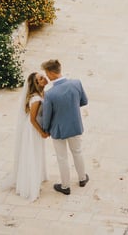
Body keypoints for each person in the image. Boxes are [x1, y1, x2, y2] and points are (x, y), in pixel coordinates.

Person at [39, 59, 89, 195]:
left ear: (51, 73)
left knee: (62, 158)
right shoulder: (76, 83)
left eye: (46, 73)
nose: (46, 76)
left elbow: (47, 116)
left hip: (58, 130)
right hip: (75, 126)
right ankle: (82, 179)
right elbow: (84, 101)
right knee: (77, 152)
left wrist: (45, 129)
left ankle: (65, 186)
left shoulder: (50, 94)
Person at [14, 72, 49, 201]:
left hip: (36, 127)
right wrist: (42, 132)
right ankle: (30, 183)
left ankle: (38, 176)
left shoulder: (42, 93)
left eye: (43, 76)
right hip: (33, 130)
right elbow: (32, 119)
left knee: (37, 152)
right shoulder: (36, 99)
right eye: (41, 78)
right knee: (33, 153)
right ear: (36, 83)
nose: (44, 78)